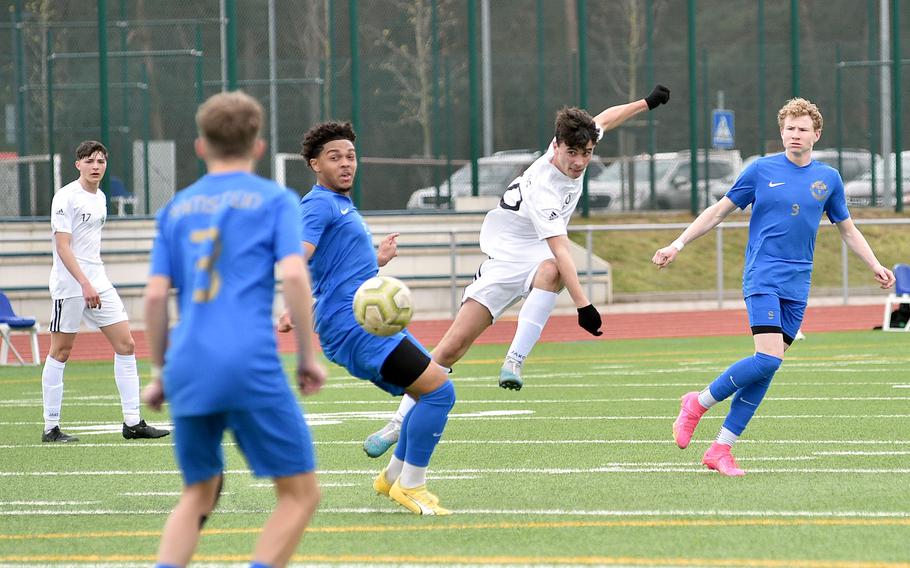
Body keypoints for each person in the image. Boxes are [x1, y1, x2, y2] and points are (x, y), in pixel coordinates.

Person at [363, 85, 672, 458]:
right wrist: (583, 305)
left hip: (535, 257)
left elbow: (606, 118)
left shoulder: (580, 140)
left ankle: (514, 361)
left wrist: (645, 103)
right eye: (572, 153)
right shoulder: (545, 189)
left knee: (552, 269)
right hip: (503, 261)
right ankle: (396, 424)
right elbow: (562, 247)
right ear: (556, 146)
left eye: (587, 153)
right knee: (449, 349)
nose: (579, 162)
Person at [652, 97, 896, 476]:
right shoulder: (760, 170)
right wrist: (677, 243)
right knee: (766, 358)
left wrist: (875, 264)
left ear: (816, 134)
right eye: (788, 129)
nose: (794, 135)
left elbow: (846, 229)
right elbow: (718, 211)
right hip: (762, 276)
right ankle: (696, 404)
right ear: (780, 133)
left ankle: (721, 449)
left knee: (768, 369)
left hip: (798, 284)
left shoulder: (828, 179)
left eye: (801, 129)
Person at [141, 91, 326, 566]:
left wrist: (162, 371)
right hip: (248, 360)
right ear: (259, 146)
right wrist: (307, 355)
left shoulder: (175, 209)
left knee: (198, 494)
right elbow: (293, 275)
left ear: (201, 146)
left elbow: (157, 296)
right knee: (299, 493)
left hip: (187, 363)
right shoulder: (275, 201)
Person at [277, 120, 456, 516]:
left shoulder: (340, 205)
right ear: (313, 164)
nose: (345, 164)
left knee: (425, 391)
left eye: (351, 156)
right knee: (440, 392)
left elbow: (332, 270)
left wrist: (376, 260)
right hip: (353, 327)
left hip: (359, 322)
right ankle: (411, 486)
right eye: (334, 157)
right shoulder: (319, 204)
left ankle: (392, 478)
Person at [41, 140, 169, 443]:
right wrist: (84, 283)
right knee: (61, 351)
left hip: (98, 280)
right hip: (71, 284)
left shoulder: (100, 197)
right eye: (89, 161)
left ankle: (133, 422)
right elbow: (63, 246)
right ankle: (51, 427)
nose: (95, 166)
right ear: (78, 165)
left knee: (126, 344)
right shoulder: (65, 197)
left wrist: (93, 281)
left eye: (100, 161)